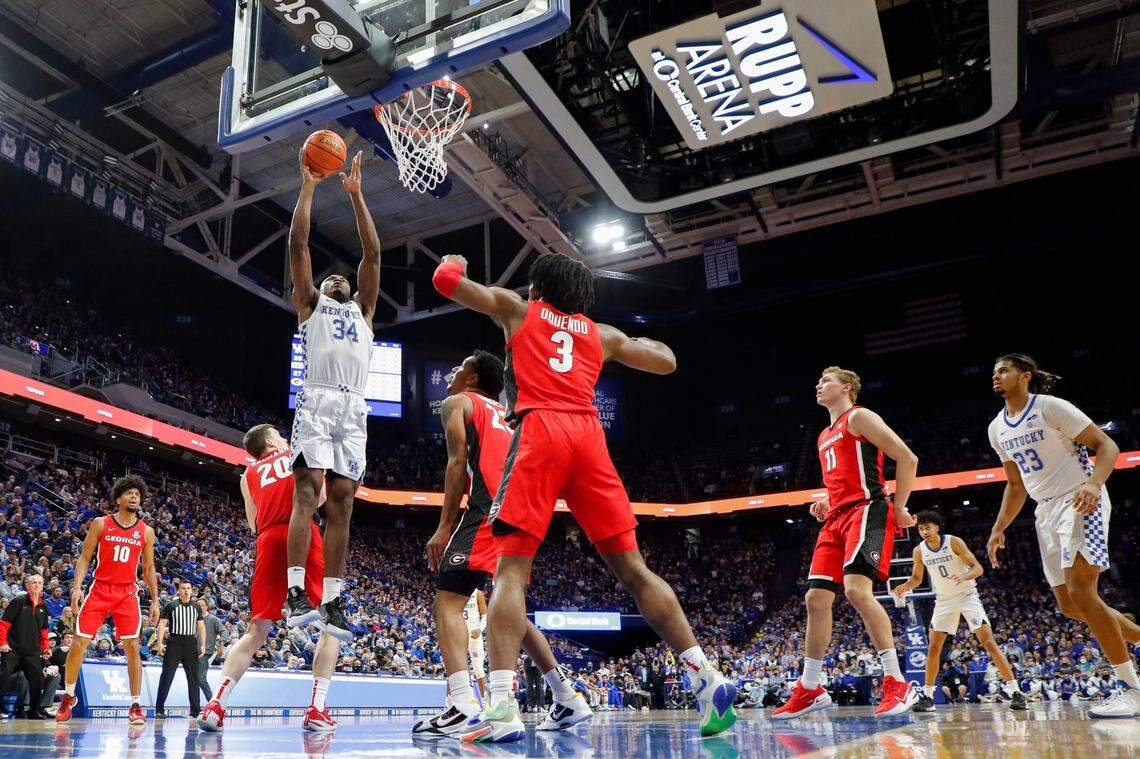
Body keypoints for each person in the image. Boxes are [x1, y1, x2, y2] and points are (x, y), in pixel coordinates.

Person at [430, 253, 736, 741]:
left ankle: (504, 705)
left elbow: (447, 282)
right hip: (588, 438)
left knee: (510, 572)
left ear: (538, 287)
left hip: (539, 430)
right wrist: (625, 339)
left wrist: (456, 259)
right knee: (635, 569)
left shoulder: (518, 309)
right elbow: (665, 360)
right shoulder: (601, 334)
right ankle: (705, 676)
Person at [414, 353, 591, 736]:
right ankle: (567, 698)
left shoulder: (458, 403)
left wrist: (444, 528)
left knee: (447, 600)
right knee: (508, 612)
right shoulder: (510, 419)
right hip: (520, 513)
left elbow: (457, 466)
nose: (451, 373)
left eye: (458, 367)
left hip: (485, 512)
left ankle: (461, 704)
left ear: (473, 376)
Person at [986, 354, 1140, 718]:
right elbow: (1014, 484)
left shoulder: (1050, 407)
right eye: (994, 371)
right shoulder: (997, 429)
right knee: (1070, 606)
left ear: (1025, 376)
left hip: (1079, 498)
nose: (996, 375)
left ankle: (1130, 688)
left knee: (1082, 592)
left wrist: (1092, 483)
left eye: (1004, 370)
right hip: (1045, 510)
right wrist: (998, 527)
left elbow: (1108, 446)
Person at [774, 367, 919, 719]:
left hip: (867, 509)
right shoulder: (824, 434)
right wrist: (827, 500)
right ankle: (810, 688)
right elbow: (845, 477)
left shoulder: (860, 416)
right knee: (816, 598)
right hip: (837, 517)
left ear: (847, 387)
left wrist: (898, 506)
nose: (818, 385)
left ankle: (898, 682)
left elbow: (907, 457)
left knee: (856, 591)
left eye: (825, 381)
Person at [283, 149, 382, 642]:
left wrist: (357, 196)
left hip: (355, 406)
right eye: (330, 275)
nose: (338, 275)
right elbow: (299, 243)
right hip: (318, 399)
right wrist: (309, 188)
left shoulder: (365, 311)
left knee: (342, 504)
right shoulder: (310, 304)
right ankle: (296, 591)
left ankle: (335, 599)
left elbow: (373, 256)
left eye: (343, 276)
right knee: (308, 491)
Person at [199, 424, 341, 733]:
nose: (285, 438)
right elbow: (318, 499)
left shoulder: (246, 476)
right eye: (280, 434)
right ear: (271, 441)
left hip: (267, 540)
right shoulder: (297, 453)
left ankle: (216, 704)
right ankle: (317, 709)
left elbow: (253, 523)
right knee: (331, 624)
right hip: (300, 532)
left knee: (256, 631)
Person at [892, 510, 1026, 712]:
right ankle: (928, 698)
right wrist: (905, 586)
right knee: (934, 648)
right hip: (944, 600)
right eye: (920, 528)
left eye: (927, 527)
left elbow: (978, 568)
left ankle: (1016, 692)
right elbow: (917, 578)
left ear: (937, 527)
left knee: (988, 642)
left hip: (966, 595)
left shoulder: (953, 542)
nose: (924, 531)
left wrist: (965, 577)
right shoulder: (919, 551)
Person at [56, 475, 159, 725]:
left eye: (138, 494)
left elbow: (148, 567)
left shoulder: (146, 531)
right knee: (79, 642)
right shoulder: (101, 524)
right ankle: (69, 696)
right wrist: (77, 587)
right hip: (100, 589)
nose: (134, 497)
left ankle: (135, 704)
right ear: (118, 498)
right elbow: (85, 558)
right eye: (130, 493)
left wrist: (155, 600)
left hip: (127, 593)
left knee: (132, 646)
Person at [0, 574, 51, 719]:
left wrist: (46, 648)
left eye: (39, 583)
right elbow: (4, 624)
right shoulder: (18, 601)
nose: (36, 585)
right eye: (33, 582)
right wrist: (3, 643)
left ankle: (34, 710)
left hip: (32, 652)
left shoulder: (44, 606)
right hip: (13, 649)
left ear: (42, 586)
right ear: (27, 586)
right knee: (3, 677)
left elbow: (44, 631)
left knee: (38, 681)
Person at [154, 581, 206, 720]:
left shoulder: (196, 607)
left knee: (193, 679)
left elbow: (201, 626)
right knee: (166, 676)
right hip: (174, 643)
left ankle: (195, 712)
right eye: (183, 588)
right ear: (179, 591)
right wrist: (159, 643)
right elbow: (162, 624)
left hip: (190, 643)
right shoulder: (171, 605)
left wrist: (203, 644)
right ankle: (159, 709)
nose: (186, 591)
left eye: (189, 588)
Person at [195, 598, 229, 705]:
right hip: (192, 652)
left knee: (200, 678)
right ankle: (195, 707)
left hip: (206, 653)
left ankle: (213, 703)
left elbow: (224, 632)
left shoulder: (213, 619)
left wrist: (221, 643)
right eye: (198, 605)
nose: (200, 607)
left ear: (206, 607)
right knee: (194, 680)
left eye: (202, 605)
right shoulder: (193, 619)